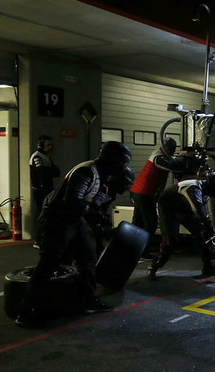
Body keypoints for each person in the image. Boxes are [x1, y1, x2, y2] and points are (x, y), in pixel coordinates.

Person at [15, 141, 133, 329]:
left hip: (72, 219)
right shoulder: (86, 171)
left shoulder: (100, 176)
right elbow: (73, 202)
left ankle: (88, 300)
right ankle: (27, 312)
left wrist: (104, 230)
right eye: (121, 163)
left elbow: (88, 208)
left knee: (87, 257)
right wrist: (94, 216)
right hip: (57, 219)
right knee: (49, 263)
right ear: (111, 160)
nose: (122, 168)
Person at [148, 171, 215, 280]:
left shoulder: (207, 192)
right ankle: (153, 267)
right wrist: (211, 229)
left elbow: (202, 214)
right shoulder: (193, 188)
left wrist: (209, 231)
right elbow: (199, 211)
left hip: (185, 209)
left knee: (203, 236)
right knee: (170, 241)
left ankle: (208, 267)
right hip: (169, 209)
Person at [130, 137, 192, 258]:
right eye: (172, 148)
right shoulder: (158, 156)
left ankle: (133, 249)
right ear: (165, 146)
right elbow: (172, 165)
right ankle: (142, 251)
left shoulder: (162, 155)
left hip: (142, 192)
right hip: (144, 193)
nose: (174, 150)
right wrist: (187, 162)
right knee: (151, 224)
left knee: (137, 223)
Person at [28, 135, 60, 246]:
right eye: (48, 145)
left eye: (52, 145)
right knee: (42, 214)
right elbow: (41, 174)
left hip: (47, 189)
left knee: (48, 214)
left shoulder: (46, 157)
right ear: (41, 145)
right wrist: (49, 170)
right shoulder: (37, 157)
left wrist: (48, 170)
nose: (51, 147)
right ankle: (39, 239)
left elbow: (57, 172)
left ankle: (45, 238)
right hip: (40, 190)